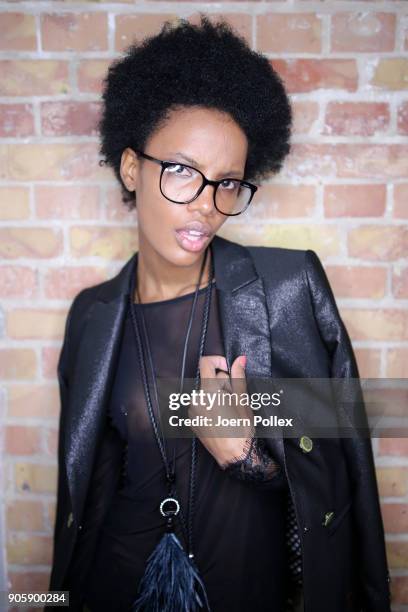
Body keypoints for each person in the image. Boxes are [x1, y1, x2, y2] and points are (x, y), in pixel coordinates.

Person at [48, 14, 391, 612]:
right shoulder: (92, 316)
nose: (206, 206)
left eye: (227, 182)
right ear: (132, 167)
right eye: (182, 170)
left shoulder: (287, 288)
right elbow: (88, 493)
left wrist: (246, 455)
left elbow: (345, 468)